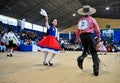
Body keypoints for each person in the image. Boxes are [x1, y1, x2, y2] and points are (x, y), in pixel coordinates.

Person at [76, 5, 101, 76]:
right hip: (89, 35)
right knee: (94, 52)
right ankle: (96, 69)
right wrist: (99, 37)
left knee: (86, 50)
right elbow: (97, 29)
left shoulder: (80, 20)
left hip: (82, 36)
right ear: (90, 12)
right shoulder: (92, 19)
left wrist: (78, 38)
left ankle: (80, 58)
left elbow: (77, 30)